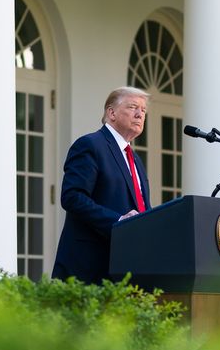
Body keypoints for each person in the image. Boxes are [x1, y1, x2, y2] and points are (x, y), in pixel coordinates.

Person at [52, 86, 152, 283]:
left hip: (127, 266)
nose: (140, 114)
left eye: (143, 110)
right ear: (111, 113)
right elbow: (72, 197)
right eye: (133, 107)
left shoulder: (135, 160)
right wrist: (119, 221)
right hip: (89, 266)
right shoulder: (90, 145)